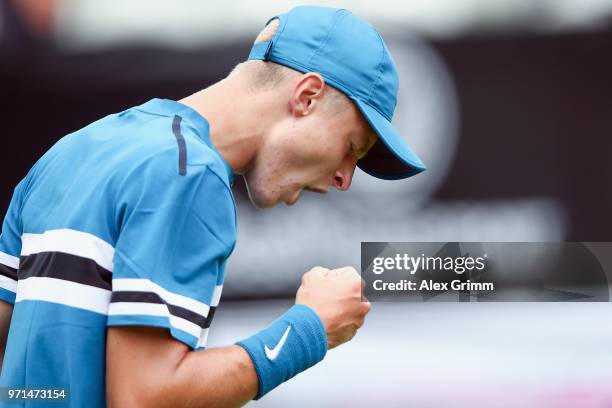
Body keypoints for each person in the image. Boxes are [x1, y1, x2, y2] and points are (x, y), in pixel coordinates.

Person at [0, 5, 426, 407]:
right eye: (352, 148)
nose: (345, 179)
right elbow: (145, 396)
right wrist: (310, 329)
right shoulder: (190, 173)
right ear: (307, 96)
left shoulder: (70, 152)